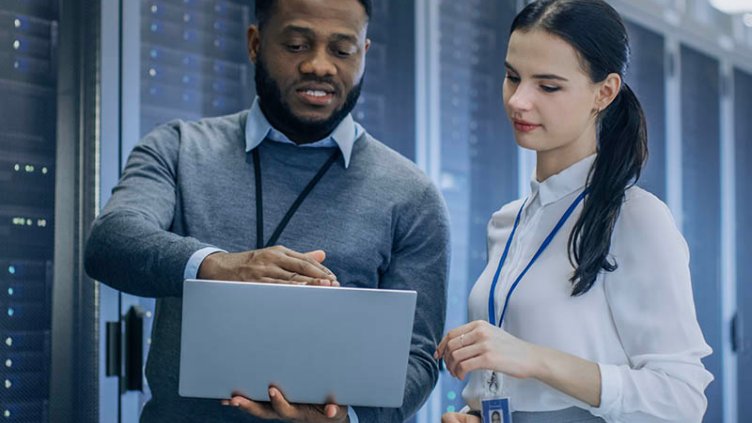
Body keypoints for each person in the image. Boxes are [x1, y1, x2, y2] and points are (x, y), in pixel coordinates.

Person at [84, 0, 450, 421]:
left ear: (364, 53)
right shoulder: (179, 148)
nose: (320, 66)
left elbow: (418, 355)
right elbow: (110, 241)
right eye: (296, 45)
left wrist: (347, 420)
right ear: (255, 44)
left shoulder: (412, 194)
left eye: (342, 51)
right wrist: (217, 266)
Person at [435, 1, 712, 422]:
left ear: (604, 92)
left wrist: (533, 358)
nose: (519, 101)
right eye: (513, 77)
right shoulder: (507, 221)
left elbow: (681, 399)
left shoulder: (635, 218)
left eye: (548, 86)